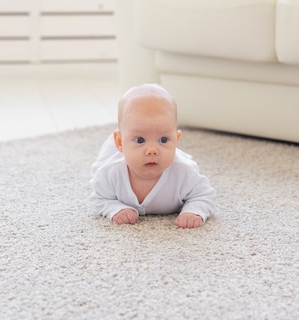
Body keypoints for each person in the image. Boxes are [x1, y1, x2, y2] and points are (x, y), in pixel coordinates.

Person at [89, 84, 216, 228]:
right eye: (140, 140)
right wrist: (115, 208)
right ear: (119, 142)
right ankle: (120, 143)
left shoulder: (184, 173)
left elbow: (204, 196)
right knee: (100, 166)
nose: (152, 150)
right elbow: (98, 198)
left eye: (163, 140)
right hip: (116, 153)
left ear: (176, 140)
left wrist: (194, 211)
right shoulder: (110, 173)